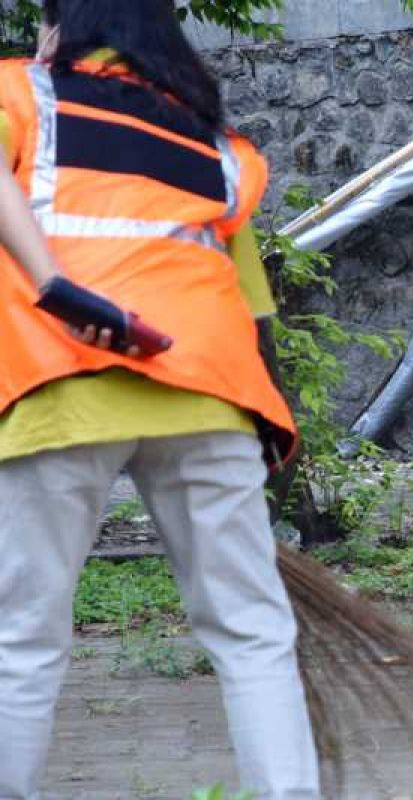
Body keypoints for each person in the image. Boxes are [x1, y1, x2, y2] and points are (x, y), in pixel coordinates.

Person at [0, 2, 319, 797]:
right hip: (208, 399)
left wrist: (51, 282)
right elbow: (254, 317)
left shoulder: (21, 93)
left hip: (59, 385)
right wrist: (276, 441)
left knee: (20, 642)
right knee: (254, 636)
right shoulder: (213, 145)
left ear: (56, 29)